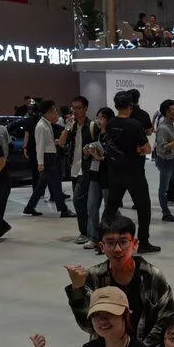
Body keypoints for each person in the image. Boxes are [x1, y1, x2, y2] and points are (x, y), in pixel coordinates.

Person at [65, 214, 174, 347]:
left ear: (134, 244)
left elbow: (168, 320)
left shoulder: (152, 276)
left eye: (123, 242)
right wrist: (78, 289)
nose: (117, 249)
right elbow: (87, 325)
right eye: (110, 243)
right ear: (102, 246)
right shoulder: (94, 277)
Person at [101, 91, 159, 254]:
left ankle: (103, 240)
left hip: (115, 171)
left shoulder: (111, 123)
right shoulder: (134, 124)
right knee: (143, 208)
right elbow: (147, 149)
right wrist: (139, 150)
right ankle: (144, 242)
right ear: (130, 105)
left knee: (111, 208)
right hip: (134, 172)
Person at [23, 100, 75, 219]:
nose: (56, 112)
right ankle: (63, 209)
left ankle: (29, 207)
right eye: (54, 110)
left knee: (42, 185)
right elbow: (39, 146)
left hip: (50, 156)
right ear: (49, 112)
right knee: (55, 184)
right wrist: (40, 163)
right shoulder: (41, 126)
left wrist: (54, 142)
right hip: (48, 158)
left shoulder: (46, 124)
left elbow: (45, 142)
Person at [62, 96, 98, 244]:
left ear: (85, 109)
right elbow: (62, 143)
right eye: (73, 108)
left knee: (78, 200)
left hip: (87, 169)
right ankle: (88, 231)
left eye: (78, 108)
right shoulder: (72, 127)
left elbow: (99, 146)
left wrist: (91, 150)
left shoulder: (92, 126)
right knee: (82, 202)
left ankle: (86, 232)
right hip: (74, 169)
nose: (75, 111)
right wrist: (67, 126)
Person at [83, 107, 113, 250]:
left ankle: (111, 236)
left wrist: (102, 158)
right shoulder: (96, 134)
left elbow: (115, 156)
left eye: (102, 118)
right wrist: (88, 151)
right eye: (98, 118)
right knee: (92, 206)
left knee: (110, 208)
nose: (99, 121)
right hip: (94, 174)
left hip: (107, 176)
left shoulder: (113, 135)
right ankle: (94, 237)